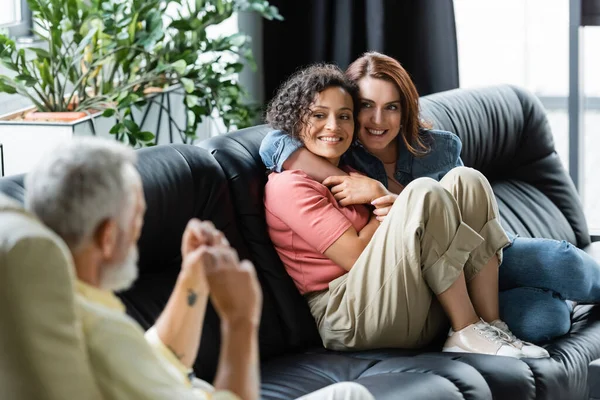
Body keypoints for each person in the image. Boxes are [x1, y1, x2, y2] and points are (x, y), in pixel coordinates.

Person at [260, 51, 600, 345]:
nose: (378, 121)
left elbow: (470, 213)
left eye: (391, 107)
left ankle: (495, 314)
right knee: (548, 317)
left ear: (405, 109)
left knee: (564, 264)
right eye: (365, 107)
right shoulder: (346, 151)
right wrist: (343, 177)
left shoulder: (437, 148)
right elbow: (273, 143)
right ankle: (485, 322)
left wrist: (385, 194)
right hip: (412, 281)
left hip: (474, 254)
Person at [24, 138, 375, 400]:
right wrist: (240, 319)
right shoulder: (101, 339)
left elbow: (160, 355)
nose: (139, 232)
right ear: (107, 235)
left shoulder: (74, 307)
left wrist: (192, 279)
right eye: (137, 220)